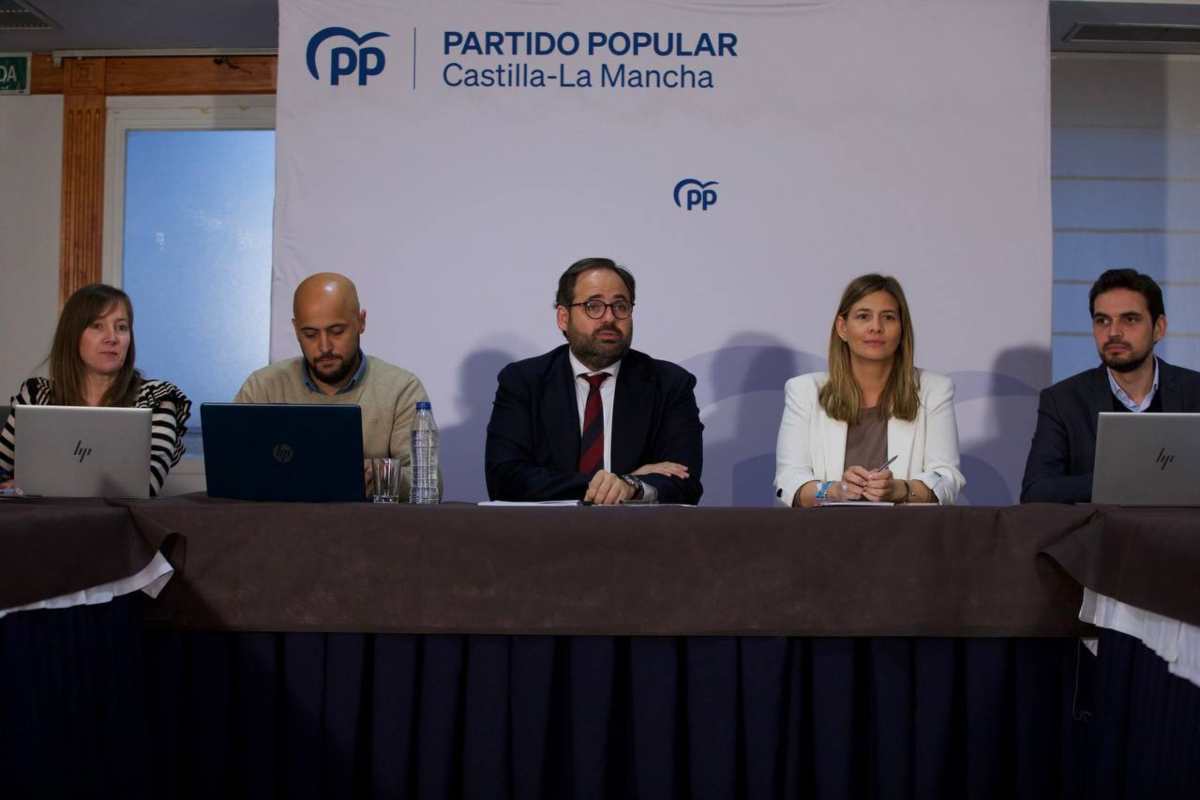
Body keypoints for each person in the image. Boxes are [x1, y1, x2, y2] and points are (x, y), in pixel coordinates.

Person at [485, 257, 704, 505]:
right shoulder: (524, 382)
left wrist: (629, 485)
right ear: (563, 317)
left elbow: (685, 481)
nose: (609, 318)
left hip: (638, 537)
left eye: (620, 306)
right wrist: (624, 482)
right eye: (593, 306)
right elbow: (503, 479)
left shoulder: (670, 384)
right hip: (545, 535)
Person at [234, 272, 434, 499]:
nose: (324, 346)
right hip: (280, 526)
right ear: (295, 329)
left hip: (368, 529)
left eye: (337, 331)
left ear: (361, 322)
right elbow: (232, 468)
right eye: (310, 334)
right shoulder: (263, 387)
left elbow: (425, 481)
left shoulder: (401, 389)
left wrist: (380, 475)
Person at [774, 274, 965, 507]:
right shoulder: (804, 391)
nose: (876, 327)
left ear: (902, 329)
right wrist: (834, 490)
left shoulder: (934, 390)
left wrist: (900, 489)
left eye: (888, 317)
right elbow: (789, 481)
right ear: (842, 328)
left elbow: (946, 479)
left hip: (908, 536)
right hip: (824, 536)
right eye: (863, 317)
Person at [1021, 268, 1200, 503]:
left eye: (1130, 319)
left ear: (1159, 328)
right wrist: (1116, 481)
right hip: (1102, 537)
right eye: (1102, 320)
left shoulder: (1195, 391)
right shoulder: (1062, 401)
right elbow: (1035, 490)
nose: (1114, 332)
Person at [0, 284, 191, 496]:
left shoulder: (157, 398)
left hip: (116, 524)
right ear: (72, 335)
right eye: (97, 326)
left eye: (121, 327)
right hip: (43, 523)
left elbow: (147, 485)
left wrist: (38, 485)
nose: (112, 338)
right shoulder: (36, 395)